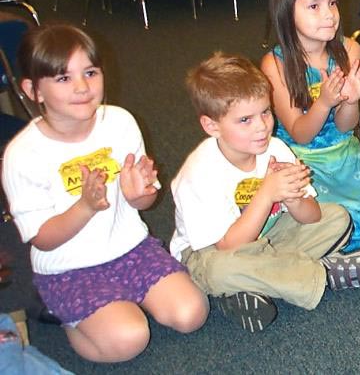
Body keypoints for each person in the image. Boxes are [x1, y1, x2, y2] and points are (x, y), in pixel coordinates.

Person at [1, 24, 208, 363]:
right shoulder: (23, 153)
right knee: (129, 339)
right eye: (63, 78)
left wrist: (139, 194)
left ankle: (118, 304)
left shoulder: (119, 122)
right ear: (33, 90)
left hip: (130, 249)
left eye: (90, 72)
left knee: (191, 314)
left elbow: (144, 201)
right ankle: (65, 315)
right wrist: (84, 206)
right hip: (69, 269)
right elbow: (42, 238)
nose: (82, 87)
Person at [170, 53, 360, 333]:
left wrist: (293, 198)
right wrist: (266, 194)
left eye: (265, 112)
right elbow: (228, 245)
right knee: (217, 271)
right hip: (212, 251)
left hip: (269, 238)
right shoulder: (200, 173)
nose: (261, 126)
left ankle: (253, 284)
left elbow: (312, 217)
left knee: (338, 218)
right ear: (212, 126)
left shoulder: (274, 148)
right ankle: (324, 275)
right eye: (245, 120)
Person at [260, 0, 360, 251]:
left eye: (332, 3)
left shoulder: (349, 49)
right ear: (287, 12)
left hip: (343, 154)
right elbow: (300, 134)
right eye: (314, 6)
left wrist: (350, 101)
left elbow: (345, 125)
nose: (329, 15)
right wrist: (324, 102)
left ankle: (324, 244)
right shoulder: (275, 64)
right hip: (301, 160)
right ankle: (324, 240)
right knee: (309, 216)